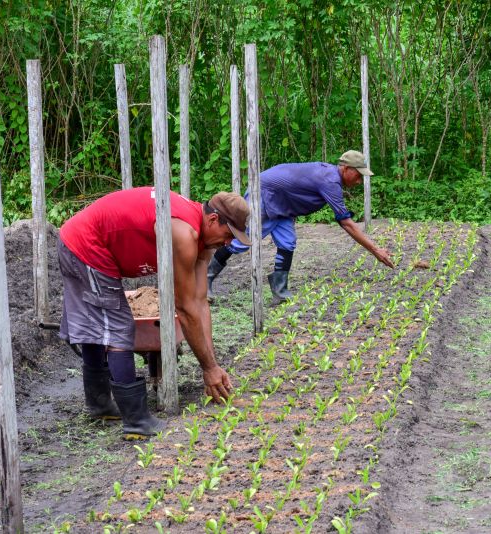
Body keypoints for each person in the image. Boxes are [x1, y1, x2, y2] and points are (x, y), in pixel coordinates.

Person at [57, 187, 250, 439]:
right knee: (117, 328)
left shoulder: (202, 239)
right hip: (85, 244)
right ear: (213, 219)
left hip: (88, 244)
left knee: (100, 324)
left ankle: (100, 405)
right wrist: (208, 368)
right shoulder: (183, 233)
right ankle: (136, 421)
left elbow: (199, 302)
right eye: (228, 234)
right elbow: (184, 307)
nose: (228, 243)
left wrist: (212, 365)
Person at [207, 150, 394, 302]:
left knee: (288, 242)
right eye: (358, 175)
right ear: (346, 168)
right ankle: (204, 280)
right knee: (242, 241)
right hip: (264, 193)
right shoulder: (330, 181)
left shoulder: (330, 175)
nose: (359, 180)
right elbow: (346, 223)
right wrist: (375, 250)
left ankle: (280, 292)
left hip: (283, 203)